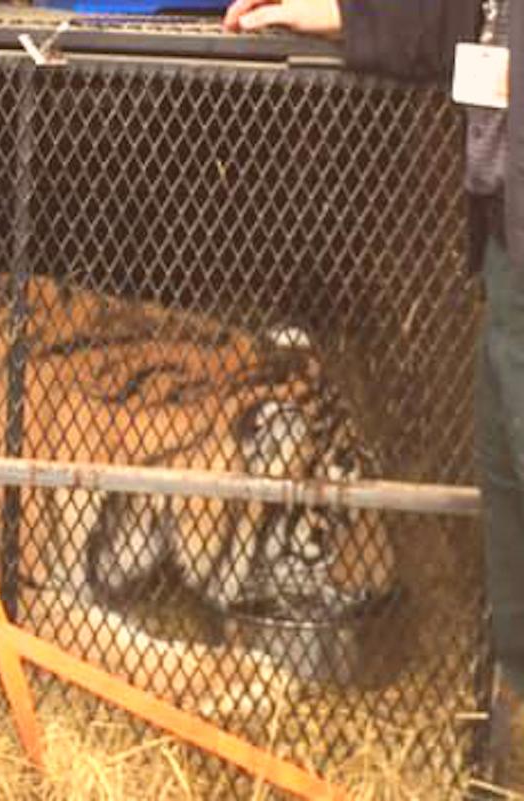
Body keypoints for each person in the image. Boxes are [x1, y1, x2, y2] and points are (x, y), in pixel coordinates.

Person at [225, 0, 521, 772]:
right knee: (507, 488)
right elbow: (447, 26)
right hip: (503, 252)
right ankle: (510, 744)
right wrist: (322, 13)